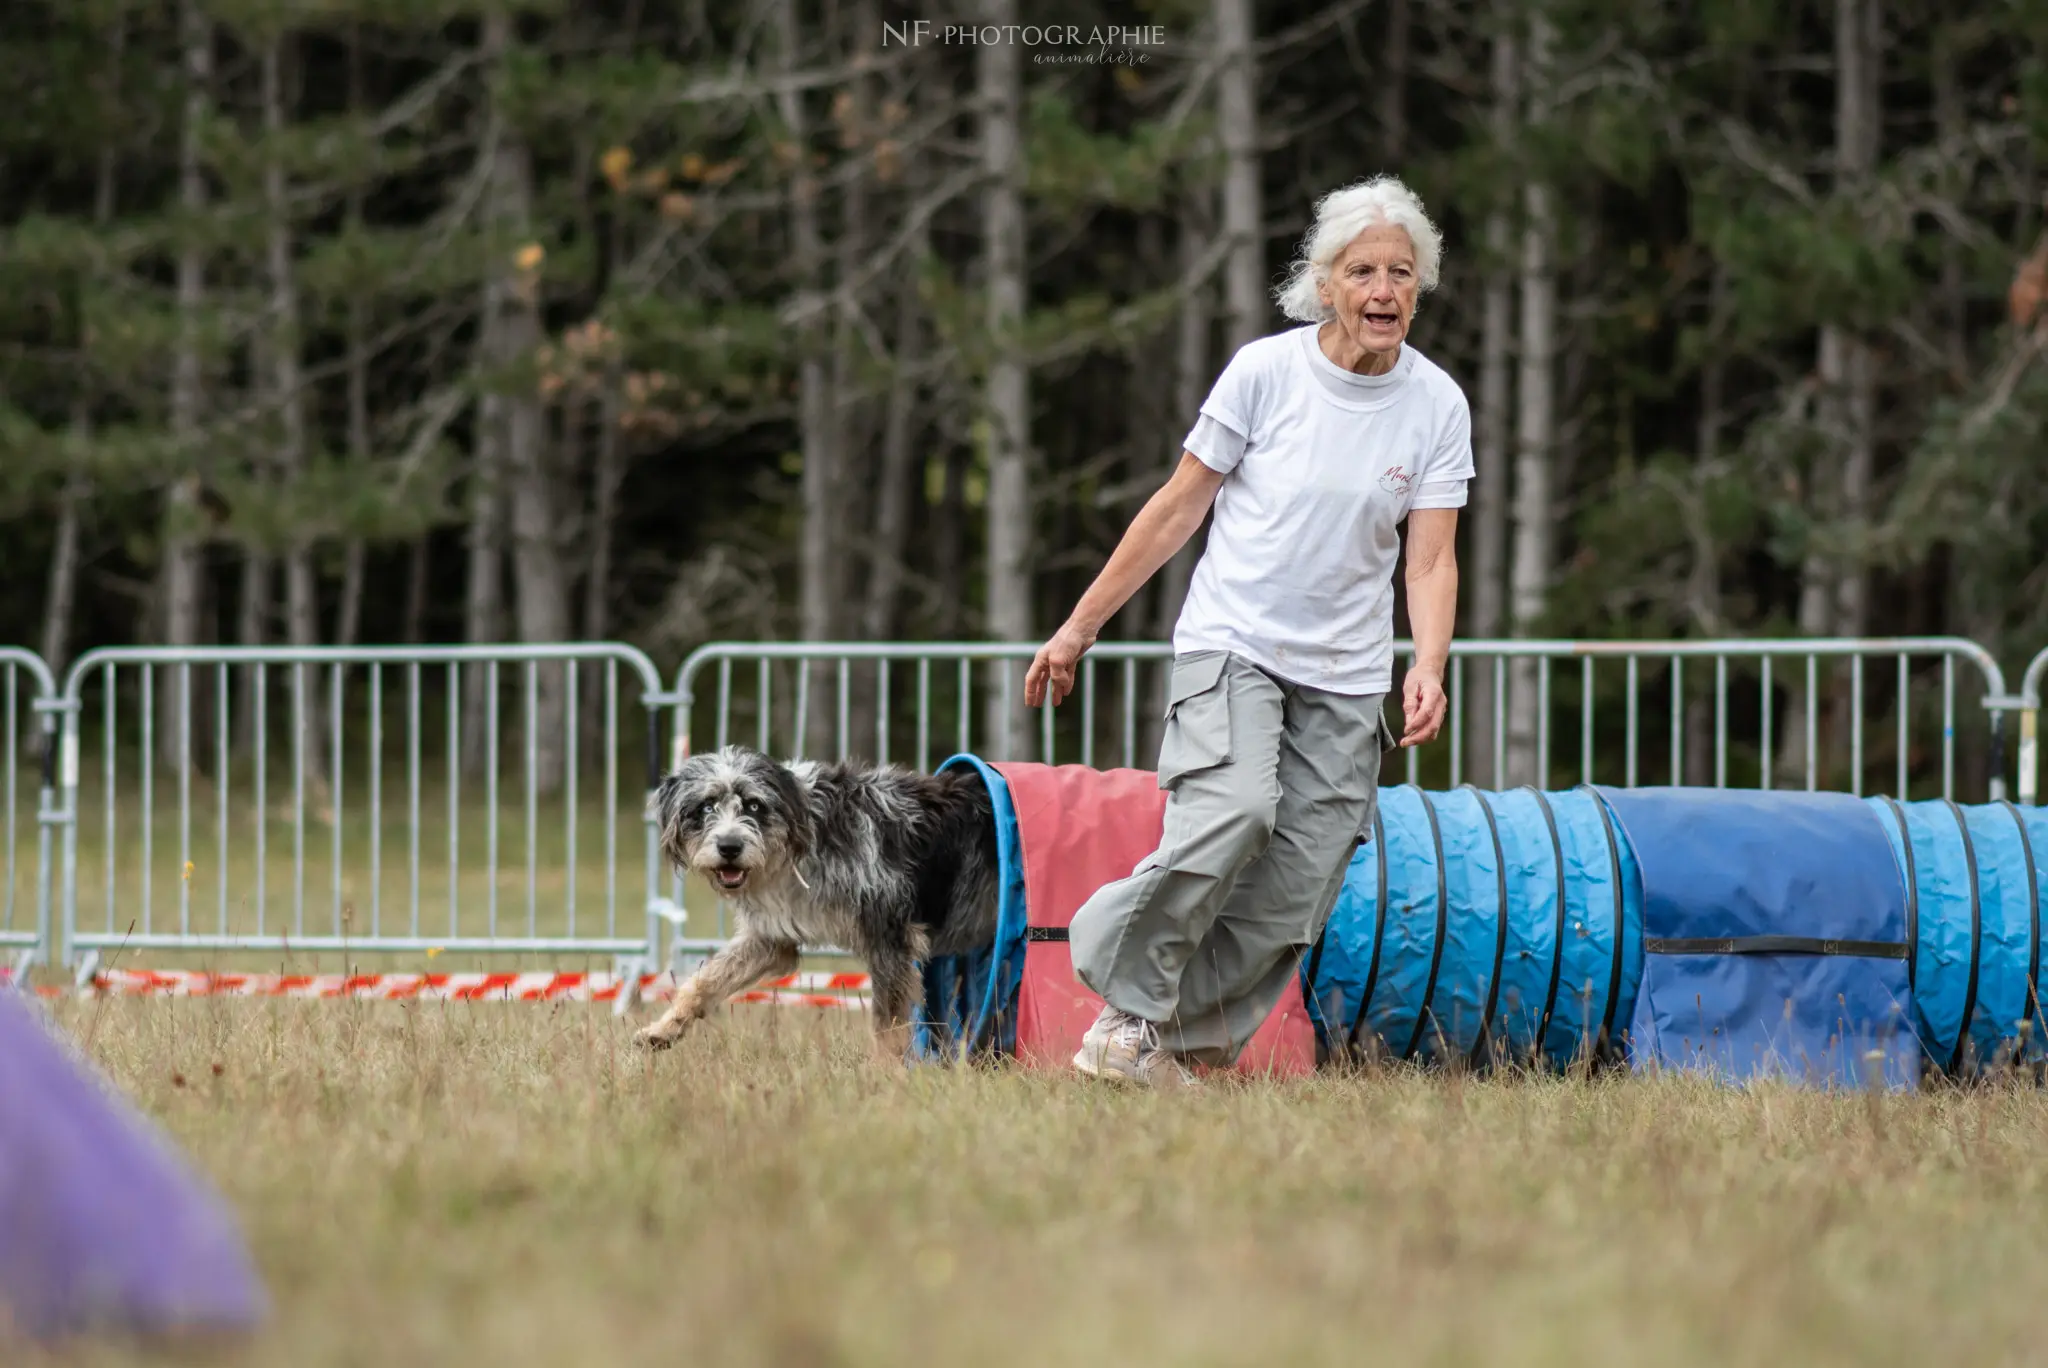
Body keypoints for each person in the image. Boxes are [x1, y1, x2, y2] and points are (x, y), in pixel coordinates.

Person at [1022, 175, 1471, 1086]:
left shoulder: (1438, 405)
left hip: (1346, 674)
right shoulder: (1267, 373)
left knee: (1302, 882)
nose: (1384, 291)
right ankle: (1120, 987)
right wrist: (1077, 628)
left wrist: (1427, 662)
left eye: (1401, 273)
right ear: (1326, 284)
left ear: (1419, 286)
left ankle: (1161, 1043)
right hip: (1237, 643)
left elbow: (1428, 561)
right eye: (1363, 272)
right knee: (1233, 812)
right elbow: (1178, 508)